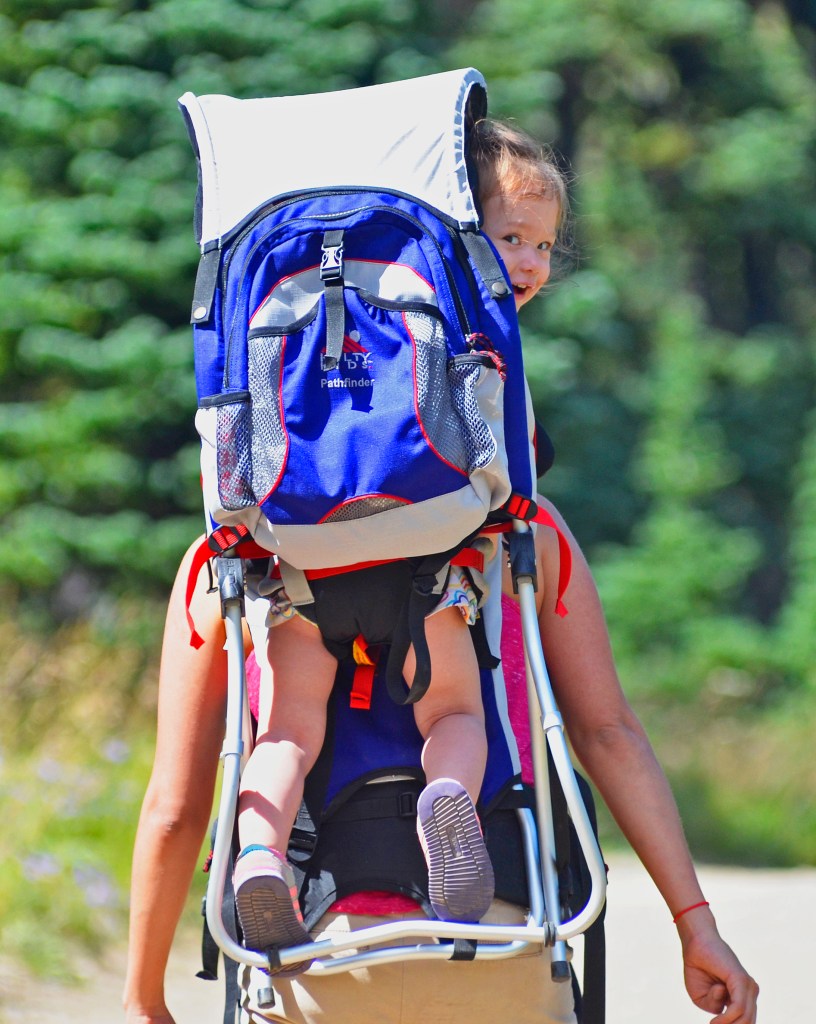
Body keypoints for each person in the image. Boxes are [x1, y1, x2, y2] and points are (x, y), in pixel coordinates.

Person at [124, 119, 759, 1024]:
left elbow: (176, 806)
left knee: (282, 736)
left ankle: (266, 854)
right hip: (500, 947)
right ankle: (451, 799)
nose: (533, 264)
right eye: (513, 243)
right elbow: (609, 733)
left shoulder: (227, 556)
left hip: (304, 963)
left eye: (544, 247)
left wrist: (145, 996)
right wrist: (699, 927)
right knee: (456, 714)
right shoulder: (524, 533)